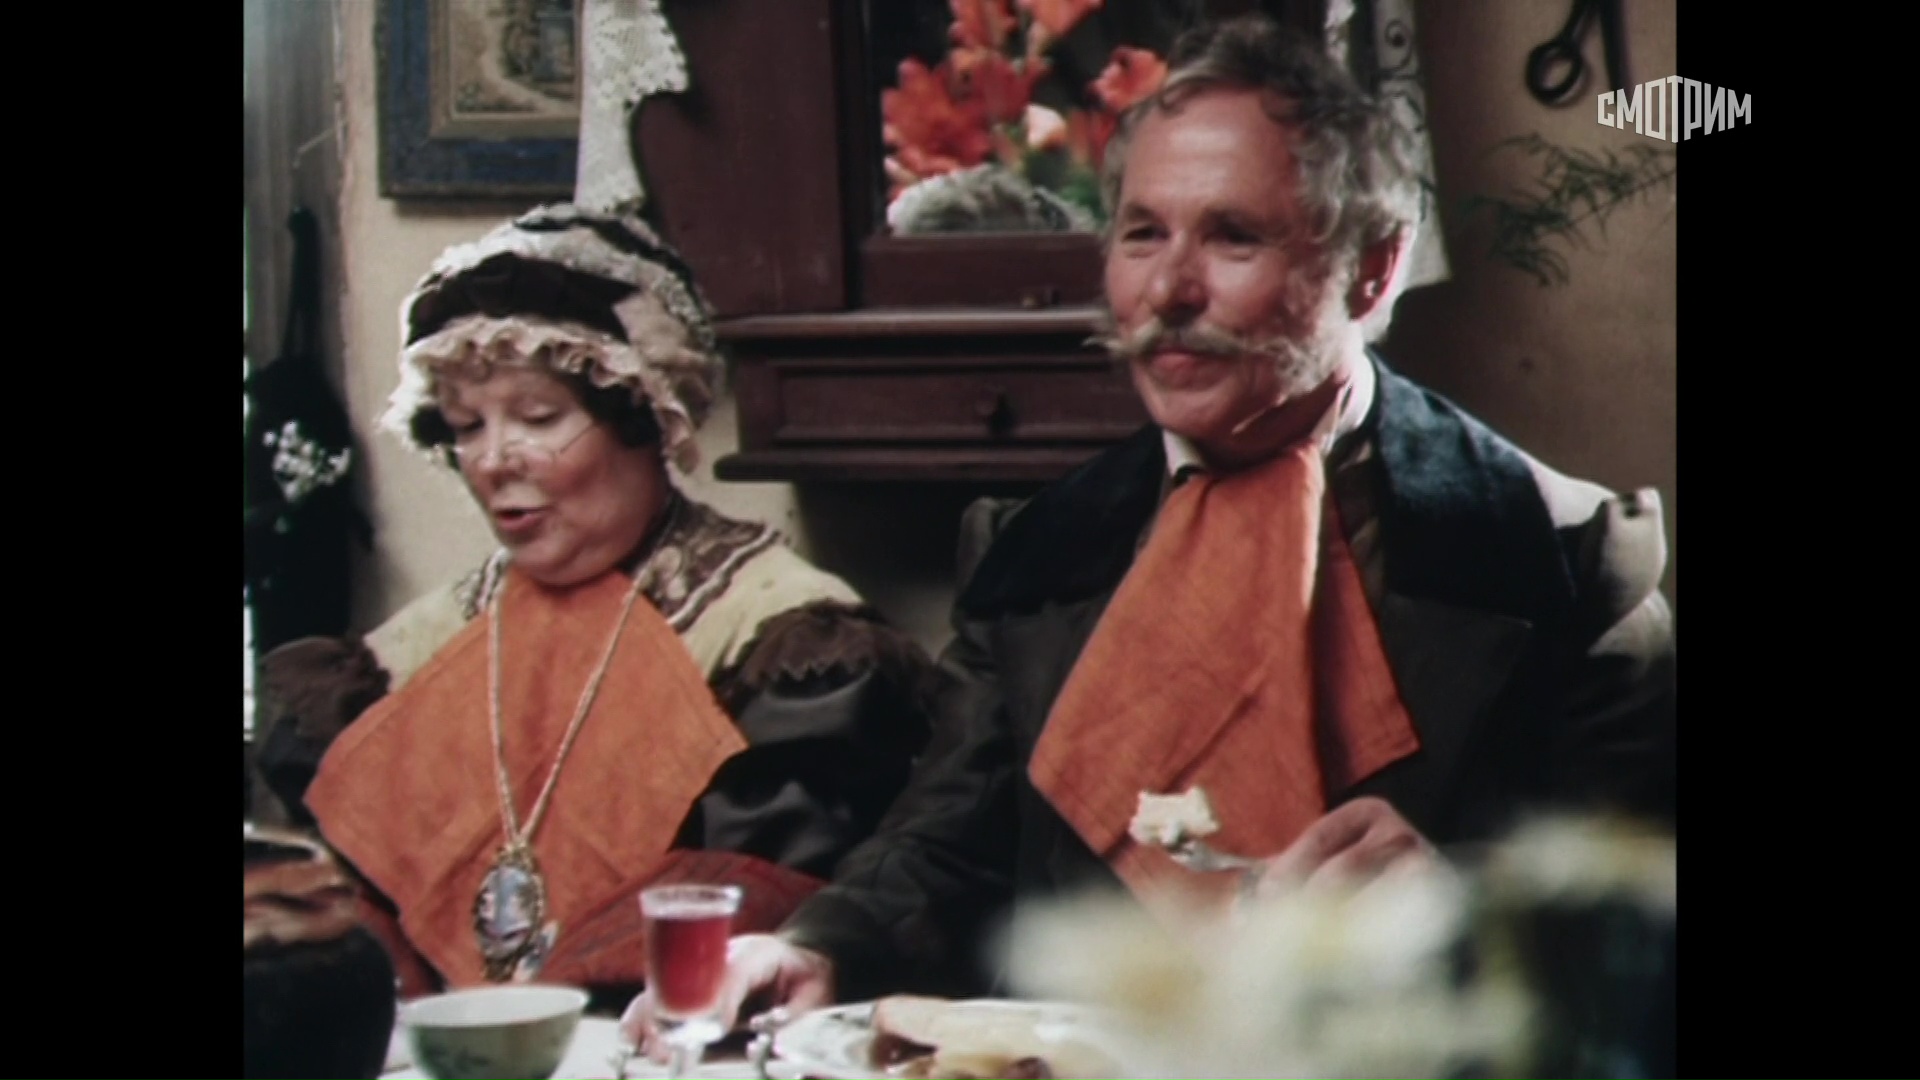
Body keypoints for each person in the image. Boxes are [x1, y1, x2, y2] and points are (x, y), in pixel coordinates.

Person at [621, 13, 1675, 1047]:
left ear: (1373, 267)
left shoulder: (1569, 554)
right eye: (1141, 234)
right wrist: (815, 946)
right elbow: (944, 846)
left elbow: (1643, 942)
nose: (1168, 291)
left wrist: (1457, 909)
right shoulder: (1033, 548)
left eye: (1233, 235)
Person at [250, 203, 935, 1007]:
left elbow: (757, 898)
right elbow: (339, 886)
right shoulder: (422, 646)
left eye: (539, 417)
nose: (493, 461)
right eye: (466, 425)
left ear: (644, 415)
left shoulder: (778, 634)